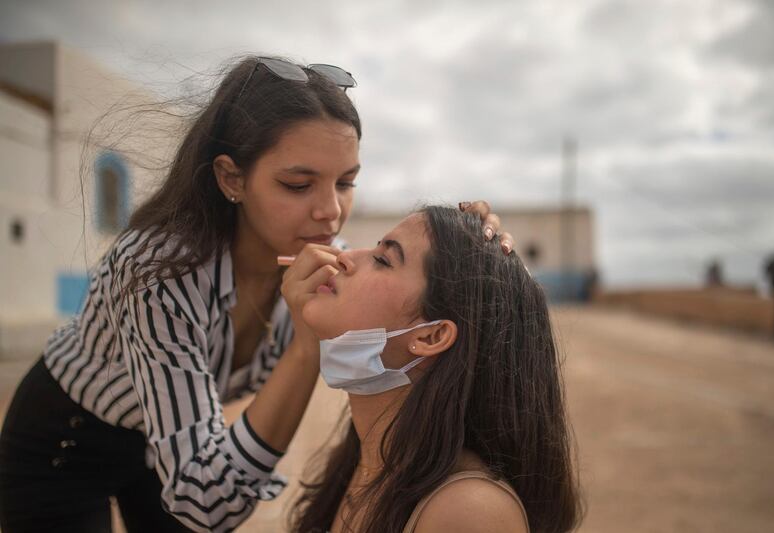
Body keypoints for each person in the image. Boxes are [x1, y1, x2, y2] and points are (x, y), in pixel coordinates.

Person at [0, 57, 515, 533]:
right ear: (231, 177)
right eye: (298, 184)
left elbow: (417, 300)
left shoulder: (324, 261)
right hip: (66, 441)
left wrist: (476, 254)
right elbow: (204, 498)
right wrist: (304, 344)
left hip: (172, 446)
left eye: (346, 182)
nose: (331, 213)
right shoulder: (156, 269)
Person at [291, 206, 582, 533]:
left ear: (432, 336)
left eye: (383, 259)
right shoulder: (364, 461)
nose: (344, 257)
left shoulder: (469, 512)